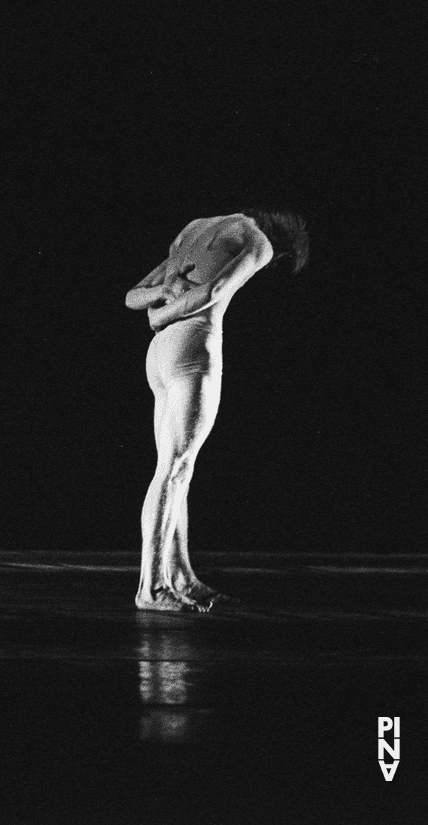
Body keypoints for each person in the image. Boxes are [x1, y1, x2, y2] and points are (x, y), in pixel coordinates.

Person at [124, 210, 308, 612]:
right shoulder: (258, 243)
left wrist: (158, 303)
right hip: (192, 347)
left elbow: (133, 295)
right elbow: (215, 291)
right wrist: (163, 313)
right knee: (174, 470)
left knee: (176, 471)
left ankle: (181, 576)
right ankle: (151, 587)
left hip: (159, 355)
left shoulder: (193, 228)